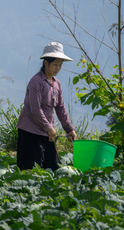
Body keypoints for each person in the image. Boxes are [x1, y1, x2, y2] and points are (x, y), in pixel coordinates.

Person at [17, 42, 77, 171]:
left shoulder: (57, 84)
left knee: (52, 166)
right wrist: (48, 127)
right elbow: (35, 109)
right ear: (46, 63)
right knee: (31, 168)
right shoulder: (36, 82)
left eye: (60, 65)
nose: (58, 68)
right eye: (55, 64)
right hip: (30, 131)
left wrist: (69, 129)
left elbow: (61, 108)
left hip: (47, 133)